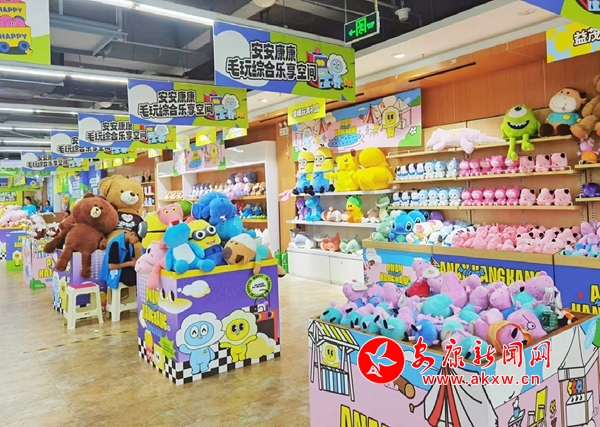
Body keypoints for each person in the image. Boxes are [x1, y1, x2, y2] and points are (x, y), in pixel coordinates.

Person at [100, 220, 147, 300]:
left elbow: (132, 258)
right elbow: (111, 266)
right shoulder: (116, 243)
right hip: (114, 272)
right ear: (132, 234)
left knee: (141, 273)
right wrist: (130, 263)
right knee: (135, 277)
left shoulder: (130, 244)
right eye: (136, 240)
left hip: (124, 270)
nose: (136, 243)